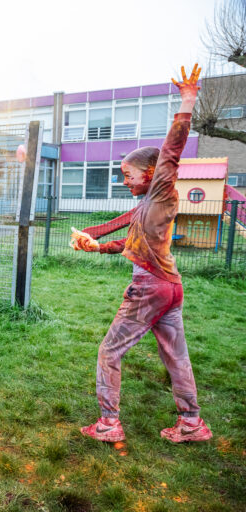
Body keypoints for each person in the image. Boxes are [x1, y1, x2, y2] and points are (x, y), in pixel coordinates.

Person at [72, 64, 212, 443]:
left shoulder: (163, 188)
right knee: (176, 358)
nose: (124, 179)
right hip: (170, 287)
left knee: (109, 352)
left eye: (127, 174)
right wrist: (97, 244)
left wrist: (188, 99)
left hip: (150, 288)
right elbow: (127, 238)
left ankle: (108, 423)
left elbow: (171, 150)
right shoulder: (148, 203)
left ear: (151, 173)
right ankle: (191, 424)